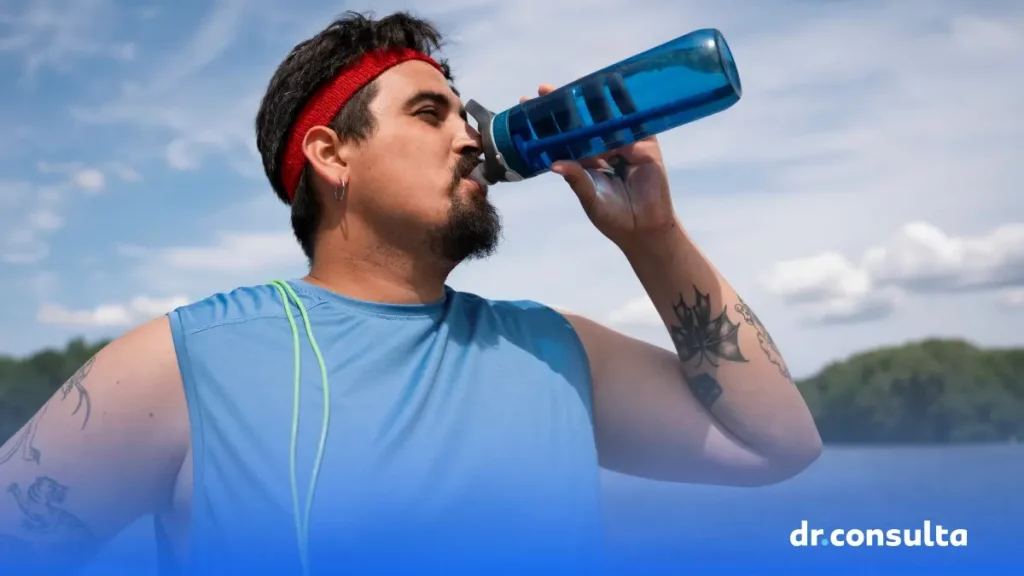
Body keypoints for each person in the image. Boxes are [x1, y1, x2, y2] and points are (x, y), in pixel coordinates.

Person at [0, 10, 821, 576]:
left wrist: (653, 240)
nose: (470, 135)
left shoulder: (556, 351)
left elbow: (777, 447)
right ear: (331, 153)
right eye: (430, 112)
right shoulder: (184, 366)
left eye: (466, 115)